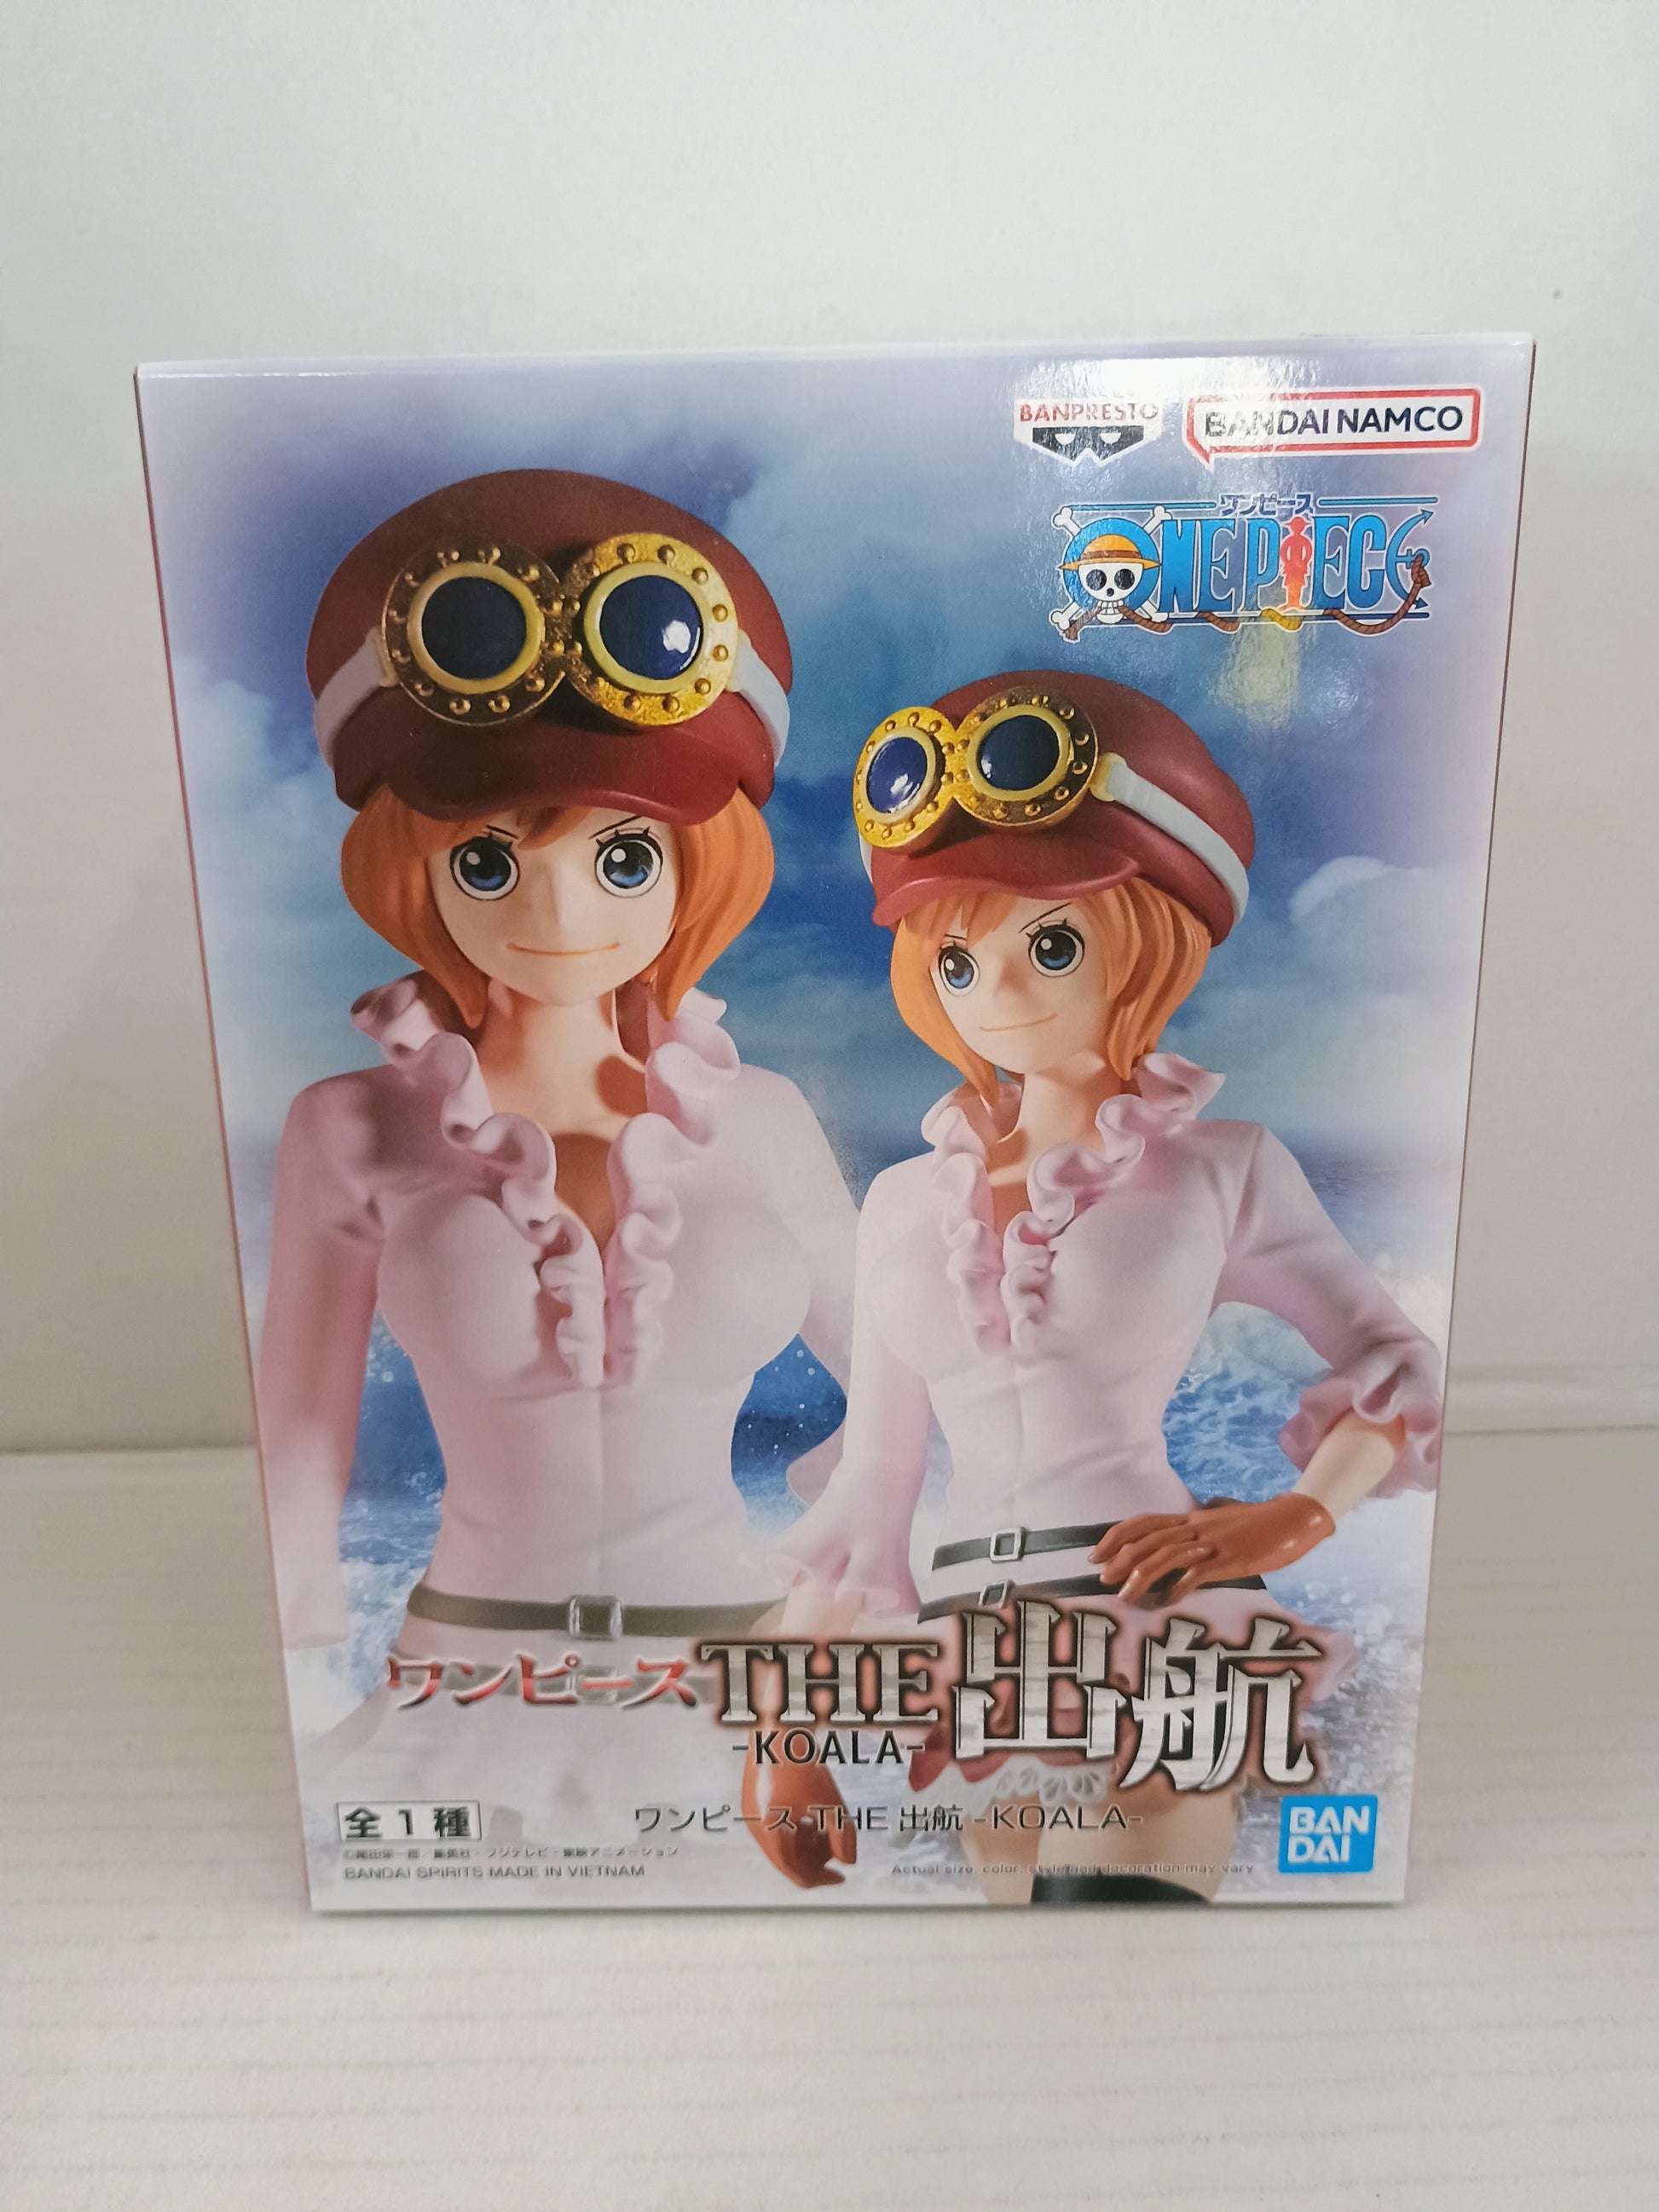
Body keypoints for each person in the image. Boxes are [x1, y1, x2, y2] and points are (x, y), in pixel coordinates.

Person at [262, 469, 857, 1887]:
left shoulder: (761, 1119)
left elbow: (907, 1385)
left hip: (733, 1695)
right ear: (413, 868)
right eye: (488, 860)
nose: (559, 907)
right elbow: (299, 1437)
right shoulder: (351, 1128)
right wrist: (297, 1661)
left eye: (623, 855)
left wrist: (828, 1606)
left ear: (696, 864)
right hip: (468, 1687)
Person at [774, 670, 1442, 1902]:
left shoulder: (1220, 1168)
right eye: (957, 955)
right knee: (1035, 1975)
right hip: (979, 1662)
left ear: (1147, 947)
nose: (997, 991)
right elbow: (870, 1491)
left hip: (1149, 1622)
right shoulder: (905, 1204)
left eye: (1052, 944)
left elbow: (1395, 1364)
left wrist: (1296, 1515)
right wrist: (787, 1739)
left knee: (1115, 1930)